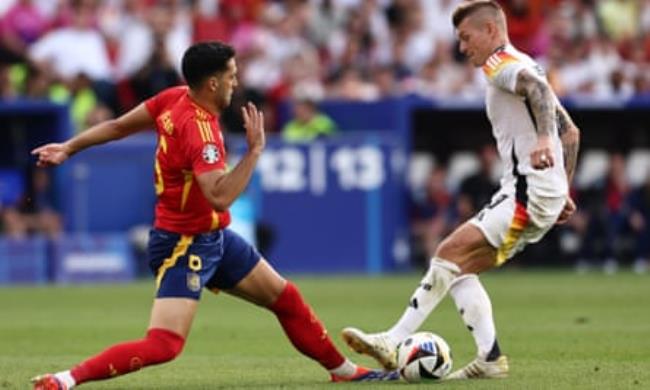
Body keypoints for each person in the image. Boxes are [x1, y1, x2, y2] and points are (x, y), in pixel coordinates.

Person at [30, 41, 398, 390]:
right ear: (213, 82)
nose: (236, 83)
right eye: (232, 75)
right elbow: (220, 196)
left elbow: (117, 126)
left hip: (214, 238)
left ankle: (344, 372)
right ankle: (64, 380)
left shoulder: (173, 97)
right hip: (183, 245)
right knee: (164, 345)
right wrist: (254, 152)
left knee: (286, 298)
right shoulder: (201, 131)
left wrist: (68, 147)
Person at [341, 0, 580, 380]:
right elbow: (572, 131)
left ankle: (393, 337)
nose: (462, 47)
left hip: (527, 190)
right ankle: (489, 358)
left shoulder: (501, 64)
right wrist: (564, 185)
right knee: (458, 268)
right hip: (536, 191)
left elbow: (542, 100)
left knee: (447, 251)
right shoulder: (525, 61)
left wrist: (544, 143)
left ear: (490, 31)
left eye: (467, 38)